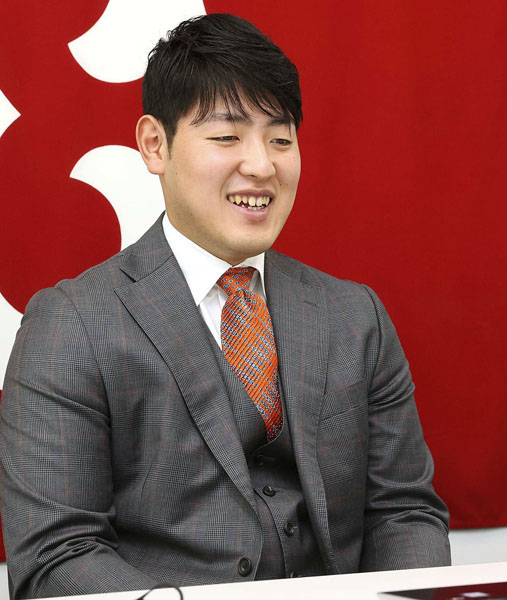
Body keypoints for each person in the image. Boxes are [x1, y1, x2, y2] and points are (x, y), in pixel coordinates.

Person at [0, 13, 450, 600]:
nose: (261, 165)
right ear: (155, 145)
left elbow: (404, 512)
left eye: (280, 139)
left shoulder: (355, 315)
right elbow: (57, 556)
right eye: (227, 137)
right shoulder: (71, 324)